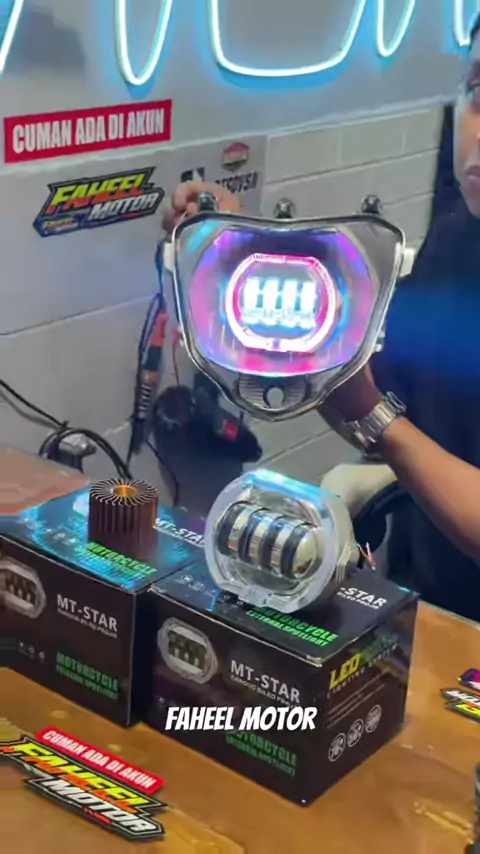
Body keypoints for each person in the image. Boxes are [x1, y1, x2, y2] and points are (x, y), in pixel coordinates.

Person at [162, 14, 480, 622]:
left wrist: (381, 425)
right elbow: (363, 389)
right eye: (478, 89)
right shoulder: (457, 241)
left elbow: (374, 413)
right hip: (426, 604)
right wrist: (239, 254)